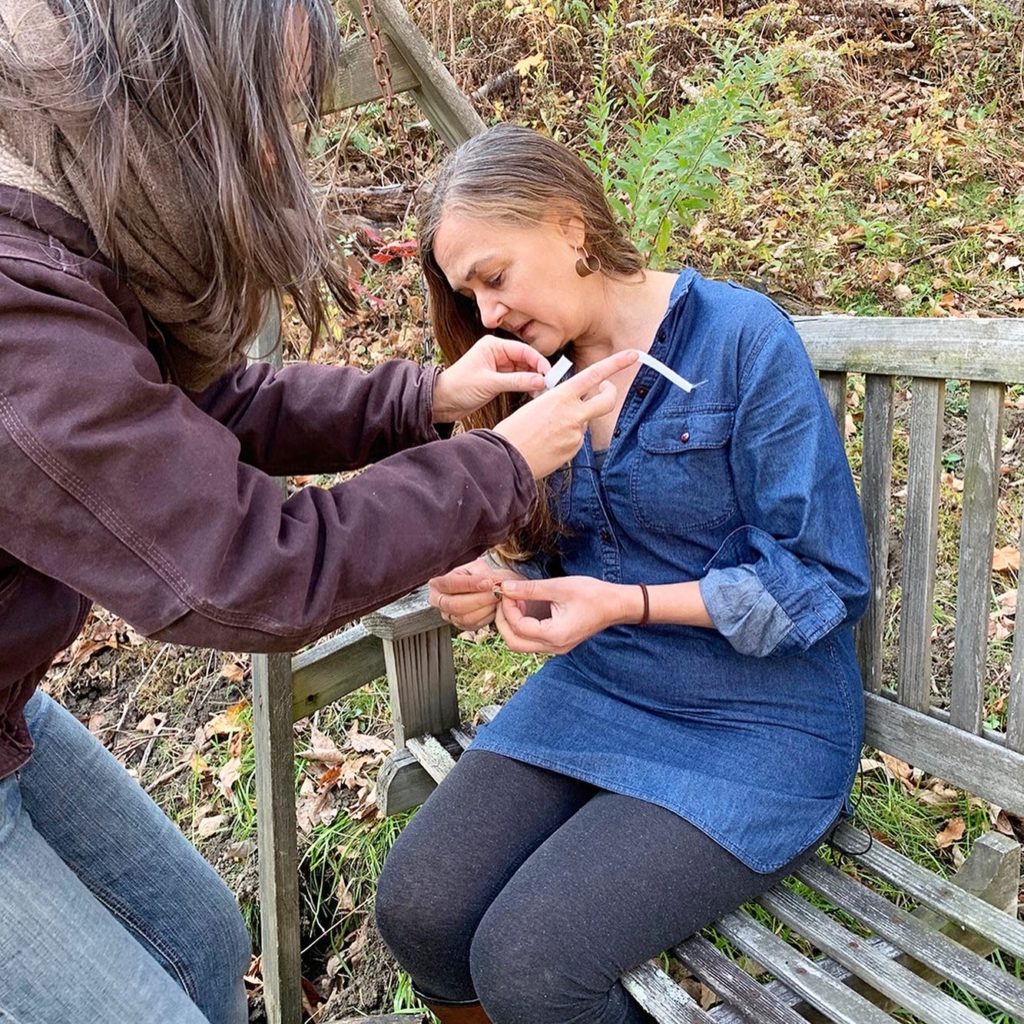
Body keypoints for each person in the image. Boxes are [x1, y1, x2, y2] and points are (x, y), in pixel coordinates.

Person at [0, 6, 637, 1024]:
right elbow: (248, 565)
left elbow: (205, 408)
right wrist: (499, 464)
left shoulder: (64, 218)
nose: (274, 146)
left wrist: (419, 402)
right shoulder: (16, 304)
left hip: (9, 705)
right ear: (176, 85)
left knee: (201, 941)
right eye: (268, 108)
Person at [373, 124, 872, 1024]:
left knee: (530, 964)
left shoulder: (739, 340)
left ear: (571, 227)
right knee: (419, 910)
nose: (485, 314)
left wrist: (624, 603)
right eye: (466, 293)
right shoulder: (534, 373)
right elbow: (557, 546)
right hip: (601, 689)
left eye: (494, 276)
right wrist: (488, 571)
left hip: (759, 721)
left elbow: (822, 578)